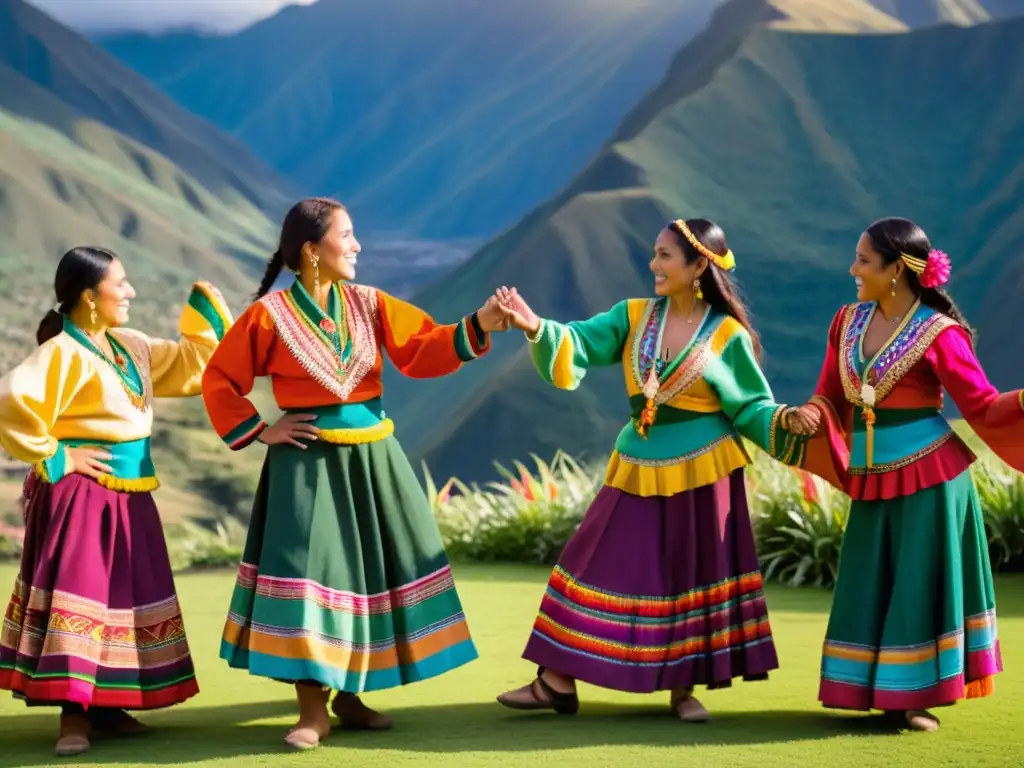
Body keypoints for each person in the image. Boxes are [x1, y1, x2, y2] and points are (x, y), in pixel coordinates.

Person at [492, 218, 841, 721]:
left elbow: (749, 407)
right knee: (592, 560)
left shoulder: (726, 336)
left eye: (664, 256)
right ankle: (556, 680)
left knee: (690, 574)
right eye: (654, 253)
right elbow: (579, 343)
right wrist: (534, 327)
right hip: (636, 462)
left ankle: (683, 690)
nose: (653, 265)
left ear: (699, 266)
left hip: (705, 471)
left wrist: (787, 419)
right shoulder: (632, 316)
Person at [201, 197, 508, 750]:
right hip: (305, 465)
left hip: (373, 460)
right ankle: (312, 709)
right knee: (307, 579)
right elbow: (221, 379)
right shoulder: (266, 318)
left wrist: (478, 324)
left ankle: (350, 695)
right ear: (312, 251)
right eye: (348, 235)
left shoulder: (370, 304)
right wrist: (261, 428)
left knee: (366, 577)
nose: (358, 245)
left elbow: (421, 348)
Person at [0, 246, 233, 756]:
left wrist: (203, 318)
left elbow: (192, 367)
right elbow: (11, 399)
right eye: (120, 284)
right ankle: (73, 718)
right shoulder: (62, 351)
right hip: (82, 495)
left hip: (131, 496)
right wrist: (59, 456)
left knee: (121, 598)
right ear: (88, 296)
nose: (129, 292)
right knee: (78, 596)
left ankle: (107, 708)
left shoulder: (131, 346)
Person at [795, 217, 1023, 731]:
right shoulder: (846, 321)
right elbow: (830, 392)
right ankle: (861, 688)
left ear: (897, 269)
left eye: (864, 261)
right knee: (868, 577)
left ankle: (914, 697)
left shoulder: (939, 333)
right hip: (872, 474)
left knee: (918, 581)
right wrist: (812, 413)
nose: (852, 269)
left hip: (931, 478)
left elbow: (982, 406)